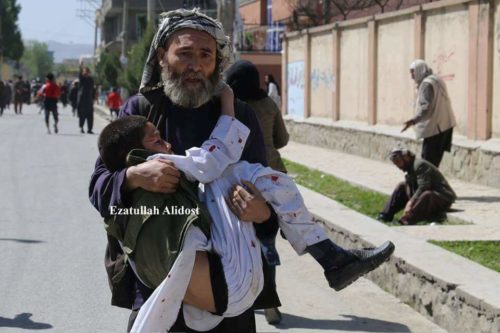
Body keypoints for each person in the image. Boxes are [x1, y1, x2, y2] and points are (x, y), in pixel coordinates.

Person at [89, 8, 394, 333]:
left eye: (205, 54)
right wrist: (134, 176)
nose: (195, 64)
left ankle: (330, 257)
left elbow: (263, 199)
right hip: (158, 289)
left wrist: (262, 213)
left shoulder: (240, 117)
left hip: (228, 284)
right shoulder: (142, 112)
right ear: (163, 56)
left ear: (217, 62)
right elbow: (99, 187)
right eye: (185, 53)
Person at [225, 60, 289, 325]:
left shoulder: (227, 106)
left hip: (236, 182)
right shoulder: (268, 104)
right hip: (271, 179)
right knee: (267, 243)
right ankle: (270, 299)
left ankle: (242, 298)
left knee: (237, 246)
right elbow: (282, 140)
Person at [378, 148, 456, 225]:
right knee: (401, 186)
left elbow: (424, 186)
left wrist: (410, 202)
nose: (397, 166)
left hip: (443, 198)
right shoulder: (409, 167)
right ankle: (385, 215)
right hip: (429, 196)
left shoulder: (419, 165)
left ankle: (406, 221)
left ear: (406, 157)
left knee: (427, 194)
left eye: (398, 161)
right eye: (395, 163)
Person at [401, 59, 457, 168]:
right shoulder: (436, 79)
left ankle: (430, 185)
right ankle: (433, 184)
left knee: (427, 163)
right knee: (433, 163)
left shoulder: (427, 84)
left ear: (420, 70)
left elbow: (425, 108)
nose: (411, 75)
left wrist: (413, 121)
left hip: (435, 129)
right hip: (445, 126)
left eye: (413, 71)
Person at [77, 63, 95, 134]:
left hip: (89, 100)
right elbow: (80, 75)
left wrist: (93, 98)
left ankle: (89, 129)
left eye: (87, 72)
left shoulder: (91, 80)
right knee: (82, 115)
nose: (85, 73)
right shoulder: (82, 79)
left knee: (90, 115)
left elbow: (93, 90)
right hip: (82, 101)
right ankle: (81, 127)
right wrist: (81, 66)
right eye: (84, 71)